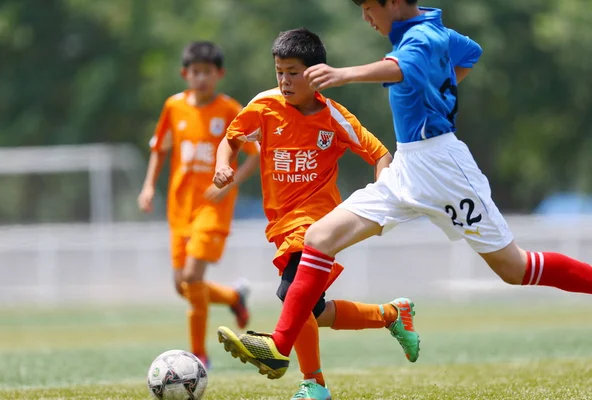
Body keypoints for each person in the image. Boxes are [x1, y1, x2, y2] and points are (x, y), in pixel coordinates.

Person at [213, 0, 592, 382]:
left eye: (369, 8)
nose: (366, 18)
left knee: (514, 268)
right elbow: (471, 52)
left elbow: (399, 68)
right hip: (408, 165)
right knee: (319, 237)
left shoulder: (421, 37)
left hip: (444, 168)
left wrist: (343, 74)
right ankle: (280, 347)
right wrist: (437, 91)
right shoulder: (434, 30)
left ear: (393, 3)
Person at [213, 28, 419, 400]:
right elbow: (231, 138)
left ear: (315, 73)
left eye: (293, 72)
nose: (284, 80)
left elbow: (380, 154)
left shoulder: (334, 118)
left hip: (316, 221)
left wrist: (383, 197)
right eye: (279, 71)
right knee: (312, 308)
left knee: (291, 293)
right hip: (279, 221)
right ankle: (391, 314)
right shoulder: (263, 105)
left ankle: (313, 383)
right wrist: (222, 166)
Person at [137, 41, 260, 368]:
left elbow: (256, 154)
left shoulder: (230, 110)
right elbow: (159, 149)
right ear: (185, 74)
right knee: (182, 286)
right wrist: (149, 186)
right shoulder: (174, 106)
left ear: (219, 74)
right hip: (180, 208)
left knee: (192, 276)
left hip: (213, 206)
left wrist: (229, 182)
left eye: (208, 72)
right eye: (196, 72)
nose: (201, 78)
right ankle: (234, 298)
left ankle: (199, 355)